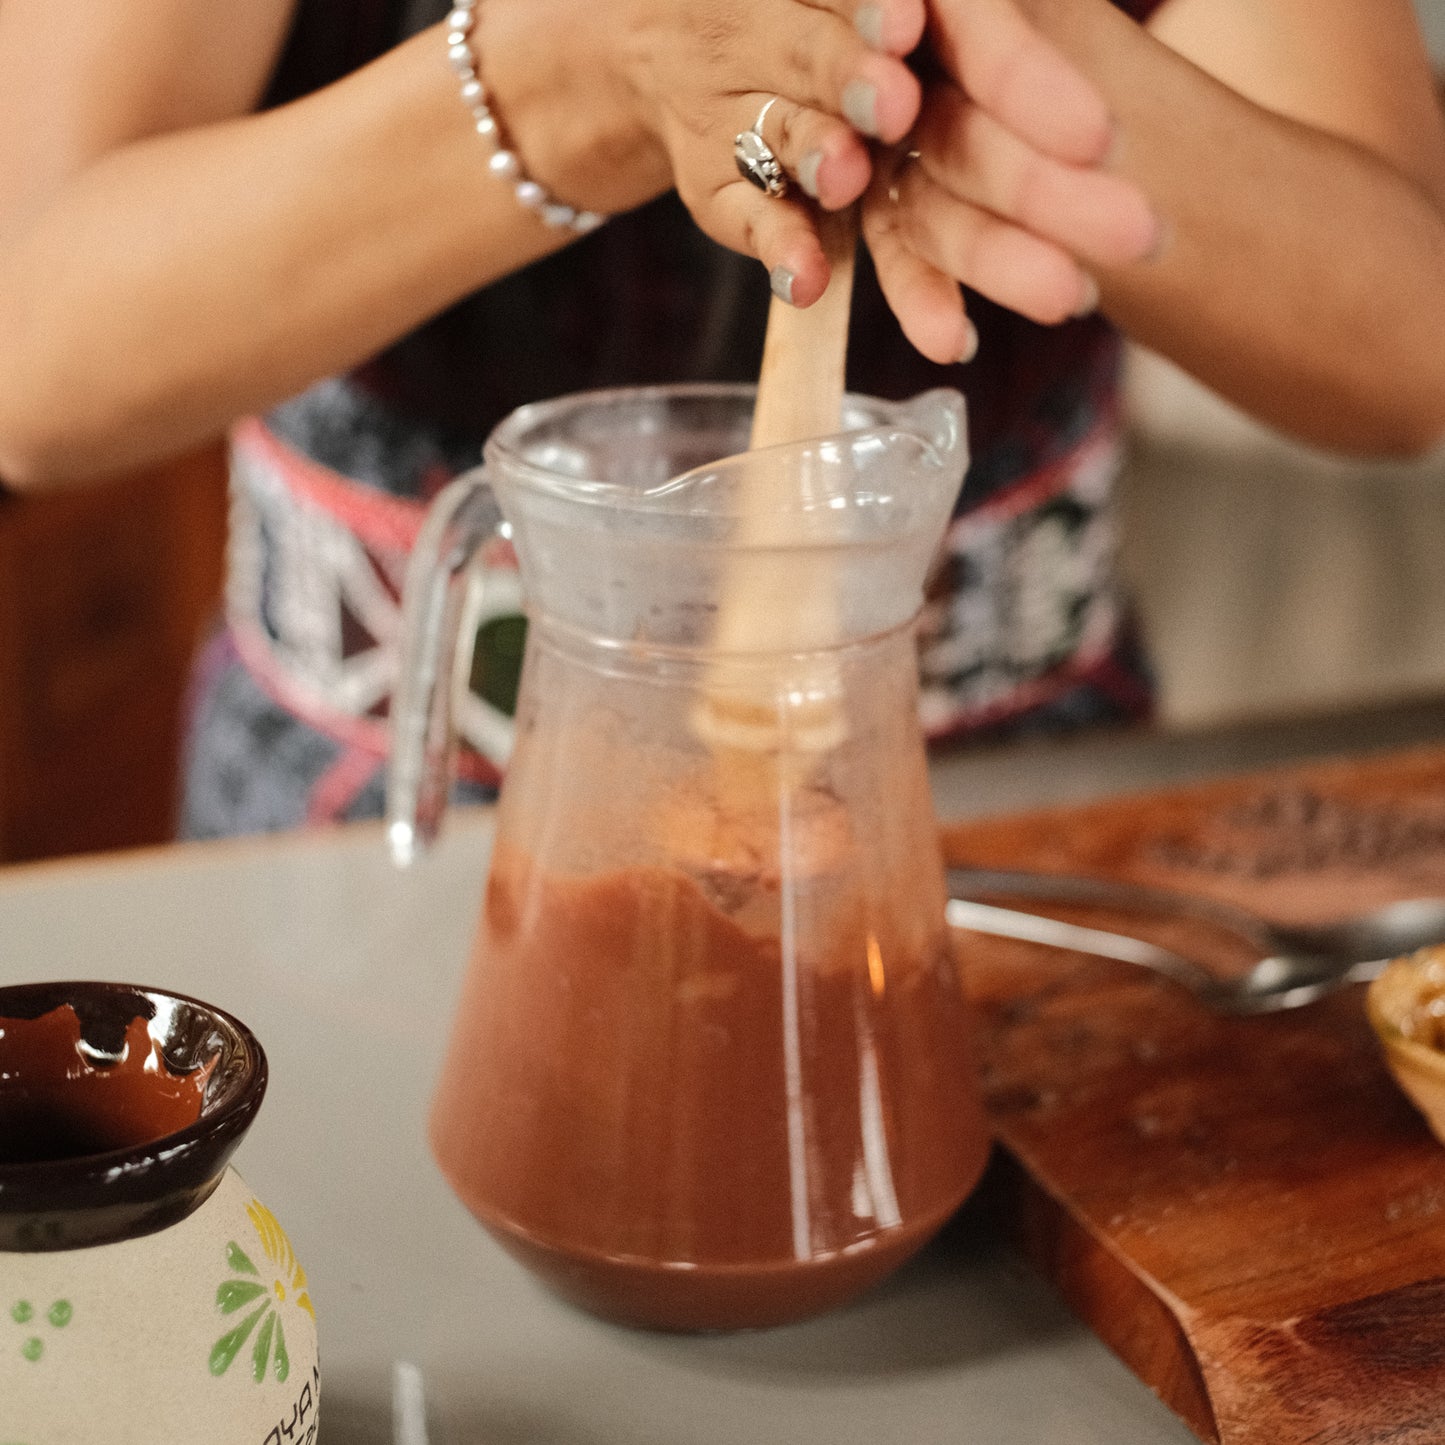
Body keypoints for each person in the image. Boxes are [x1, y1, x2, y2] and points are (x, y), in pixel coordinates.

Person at [0, 0, 1441, 836]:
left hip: (1008, 824)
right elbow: (35, 358)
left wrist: (990, 40)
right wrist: (578, 86)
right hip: (371, 818)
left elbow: (1403, 339)